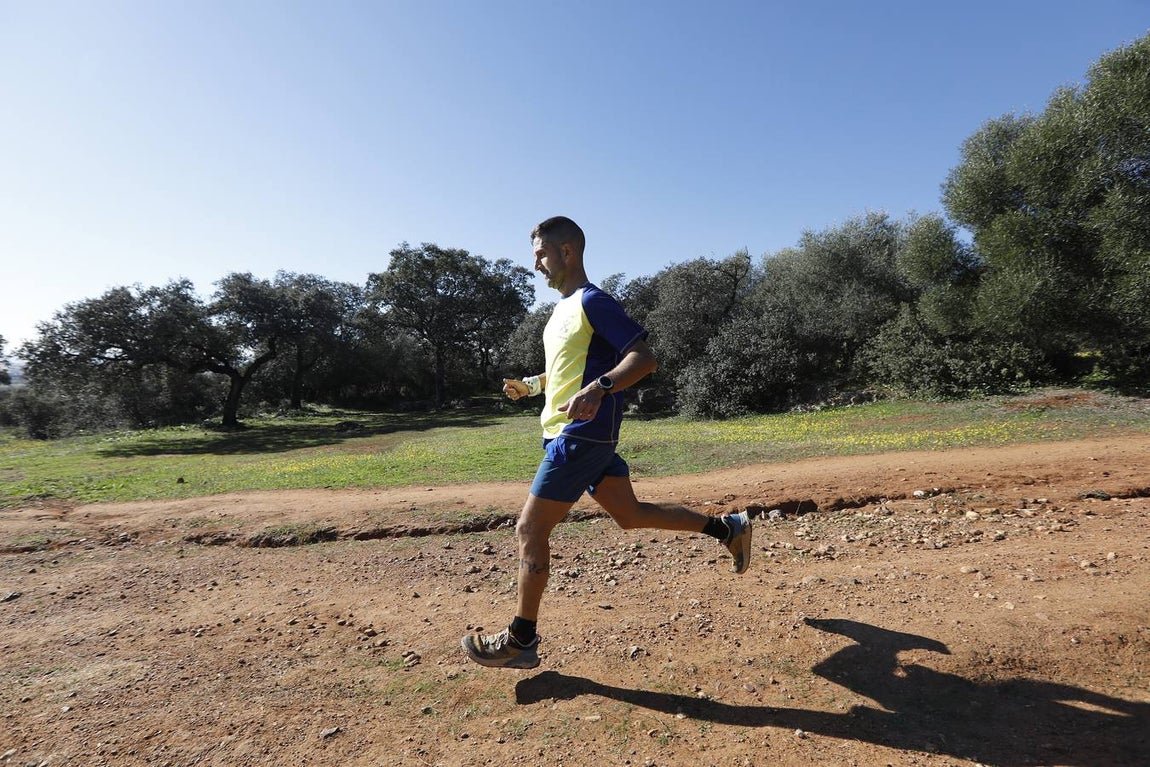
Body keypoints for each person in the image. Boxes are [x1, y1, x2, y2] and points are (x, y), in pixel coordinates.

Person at [461, 216, 752, 670]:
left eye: (541, 254)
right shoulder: (562, 310)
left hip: (581, 435)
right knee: (631, 515)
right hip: (570, 433)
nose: (535, 264)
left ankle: (521, 639)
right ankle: (728, 528)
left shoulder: (594, 301)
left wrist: (600, 388)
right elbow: (565, 372)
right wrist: (531, 386)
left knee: (530, 530)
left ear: (567, 251)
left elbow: (643, 358)